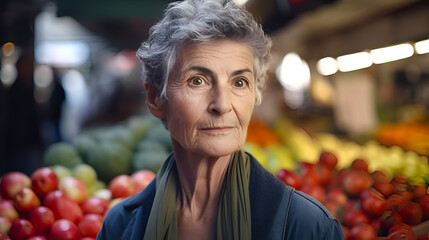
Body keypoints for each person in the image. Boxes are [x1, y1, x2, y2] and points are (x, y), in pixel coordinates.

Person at [97, 0, 344, 239]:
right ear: (155, 99)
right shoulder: (120, 225)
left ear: (255, 94)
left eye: (239, 82)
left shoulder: (308, 227)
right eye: (197, 80)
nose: (222, 105)